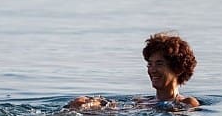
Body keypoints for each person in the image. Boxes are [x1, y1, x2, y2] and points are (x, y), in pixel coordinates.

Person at [67, 32, 200, 111]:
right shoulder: (140, 101)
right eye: (149, 64)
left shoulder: (187, 102)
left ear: (177, 69)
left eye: (159, 64)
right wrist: (94, 104)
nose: (152, 70)